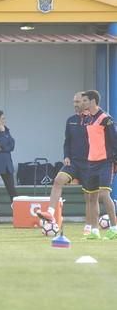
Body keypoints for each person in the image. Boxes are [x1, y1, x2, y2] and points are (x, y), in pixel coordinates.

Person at [36, 92, 87, 234]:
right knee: (58, 180)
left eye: (77, 102)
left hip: (90, 164)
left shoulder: (95, 120)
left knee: (94, 196)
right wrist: (66, 156)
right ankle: (51, 214)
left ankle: (92, 226)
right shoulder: (70, 120)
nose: (75, 104)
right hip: (74, 163)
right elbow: (67, 141)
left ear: (86, 102)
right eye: (74, 102)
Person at [79, 90, 117, 240]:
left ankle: (114, 228)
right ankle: (95, 231)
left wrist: (115, 161)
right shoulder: (87, 119)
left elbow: (114, 141)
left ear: (93, 101)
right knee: (92, 197)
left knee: (104, 194)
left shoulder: (106, 119)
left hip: (105, 162)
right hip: (91, 162)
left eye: (85, 101)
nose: (82, 103)